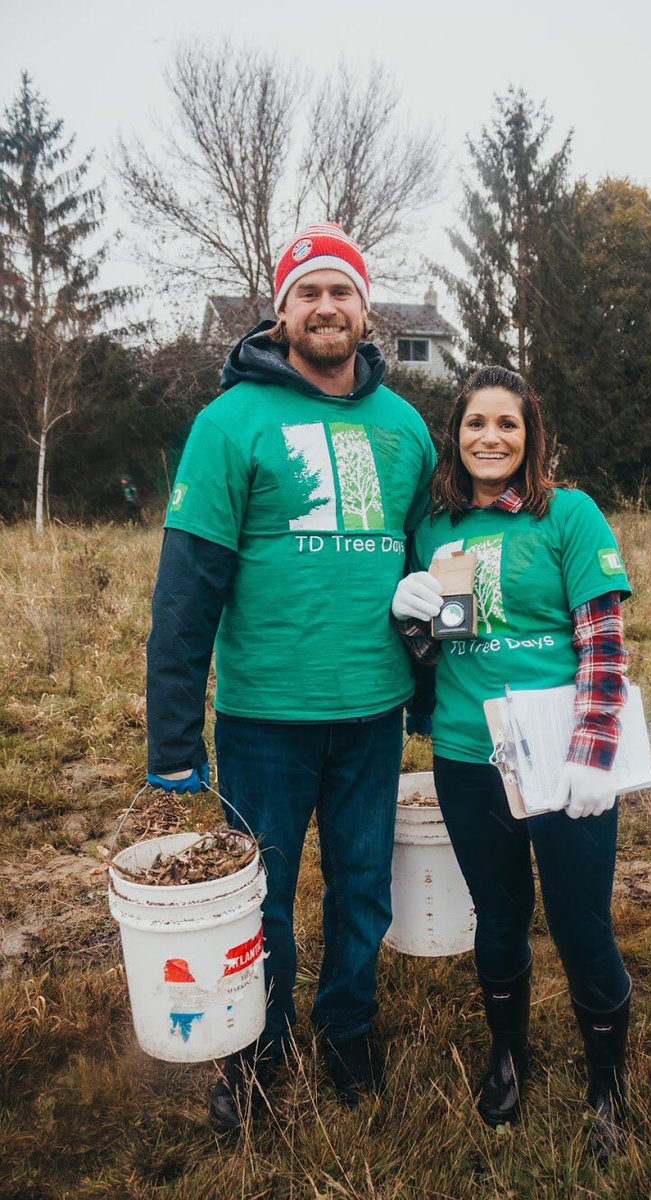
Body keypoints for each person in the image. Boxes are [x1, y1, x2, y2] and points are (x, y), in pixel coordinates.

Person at [145, 222, 436, 1131]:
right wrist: (172, 734)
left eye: (339, 290)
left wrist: (433, 697)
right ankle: (258, 1052)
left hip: (371, 710)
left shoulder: (405, 427)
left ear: (365, 308)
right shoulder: (229, 422)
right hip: (265, 717)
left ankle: (347, 1033)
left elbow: (433, 566)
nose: (324, 306)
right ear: (280, 312)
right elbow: (186, 588)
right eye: (306, 292)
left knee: (363, 887)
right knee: (260, 895)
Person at [391, 365, 632, 1162]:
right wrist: (410, 618)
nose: (489, 437)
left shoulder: (567, 516)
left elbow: (601, 644)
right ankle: (508, 1056)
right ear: (453, 437)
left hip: (560, 760)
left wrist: (592, 754)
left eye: (507, 424)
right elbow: (431, 652)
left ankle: (607, 1085)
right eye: (474, 424)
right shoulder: (433, 528)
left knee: (578, 924)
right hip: (467, 756)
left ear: (529, 437)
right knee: (497, 919)